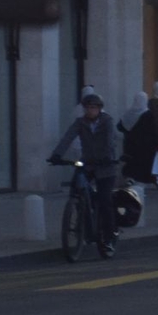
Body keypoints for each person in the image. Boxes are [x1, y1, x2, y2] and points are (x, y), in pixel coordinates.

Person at [49, 90, 122, 256]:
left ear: (99, 109)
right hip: (87, 163)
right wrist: (56, 155)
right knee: (76, 188)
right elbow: (68, 137)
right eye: (87, 108)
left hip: (106, 166)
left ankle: (109, 237)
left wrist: (107, 157)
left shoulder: (107, 121)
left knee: (104, 200)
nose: (90, 111)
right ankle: (79, 211)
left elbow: (110, 141)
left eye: (93, 108)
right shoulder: (80, 123)